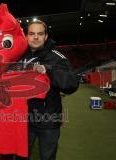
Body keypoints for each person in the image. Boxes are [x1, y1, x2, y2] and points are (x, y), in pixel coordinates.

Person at [19, 20, 78, 160]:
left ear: (45, 36)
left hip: (49, 120)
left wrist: (49, 70)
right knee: (21, 156)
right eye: (32, 34)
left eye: (40, 34)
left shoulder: (56, 57)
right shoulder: (19, 56)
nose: (35, 37)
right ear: (26, 36)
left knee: (47, 157)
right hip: (22, 118)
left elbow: (71, 84)